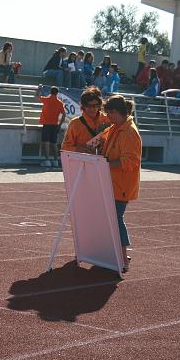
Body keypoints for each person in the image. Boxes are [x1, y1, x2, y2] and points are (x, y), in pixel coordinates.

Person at [100, 94, 142, 272]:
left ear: (118, 112)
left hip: (121, 185)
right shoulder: (115, 128)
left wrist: (105, 162)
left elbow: (131, 162)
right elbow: (101, 142)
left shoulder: (129, 132)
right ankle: (114, 254)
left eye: (109, 114)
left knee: (116, 220)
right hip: (111, 182)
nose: (107, 117)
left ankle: (124, 258)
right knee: (109, 220)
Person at [61, 86, 110, 153]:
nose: (92, 109)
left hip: (103, 161)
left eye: (95, 105)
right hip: (82, 161)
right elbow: (65, 147)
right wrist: (78, 149)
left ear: (100, 105)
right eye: (89, 106)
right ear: (83, 106)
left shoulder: (108, 120)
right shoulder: (75, 123)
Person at [36, 85, 66, 167]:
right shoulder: (60, 103)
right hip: (55, 125)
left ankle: (47, 161)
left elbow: (37, 97)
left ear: (50, 92)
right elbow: (64, 114)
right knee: (54, 143)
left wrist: (39, 88)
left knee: (46, 142)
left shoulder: (47, 100)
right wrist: (60, 124)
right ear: (57, 93)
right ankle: (56, 161)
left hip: (46, 124)